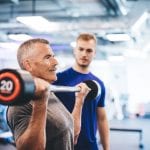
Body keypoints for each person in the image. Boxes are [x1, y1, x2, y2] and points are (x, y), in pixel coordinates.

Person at [6, 38, 91, 150]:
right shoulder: (20, 104)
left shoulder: (49, 93)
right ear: (28, 65)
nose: (56, 62)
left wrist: (80, 100)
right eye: (47, 57)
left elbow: (71, 134)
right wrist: (40, 103)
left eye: (53, 56)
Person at [53, 33, 110, 150]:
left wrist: (106, 148)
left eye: (89, 50)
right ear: (75, 50)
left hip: (90, 145)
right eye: (81, 49)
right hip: (64, 144)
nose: (84, 54)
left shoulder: (99, 84)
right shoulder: (58, 79)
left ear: (94, 54)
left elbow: (102, 119)